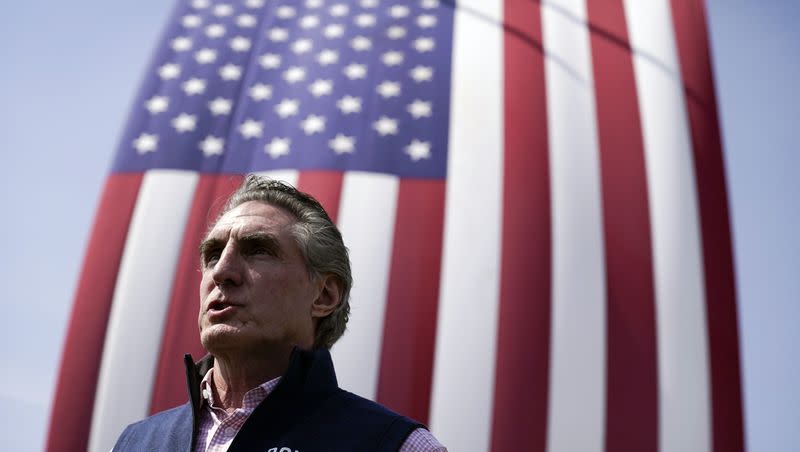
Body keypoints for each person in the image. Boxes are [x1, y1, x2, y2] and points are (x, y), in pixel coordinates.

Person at [112, 175, 446, 451]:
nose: (222, 271)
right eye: (213, 254)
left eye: (258, 250)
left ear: (324, 295)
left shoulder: (396, 445)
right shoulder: (135, 443)